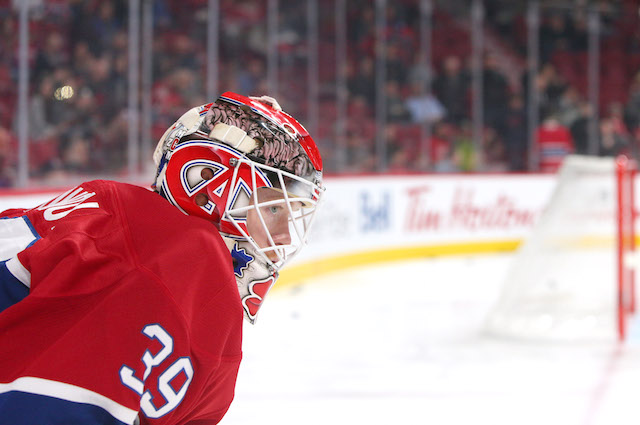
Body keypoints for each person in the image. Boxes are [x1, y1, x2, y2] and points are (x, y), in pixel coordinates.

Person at [0, 92, 325, 424]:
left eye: (292, 213)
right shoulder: (162, 265)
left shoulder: (112, 210)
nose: (284, 235)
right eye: (272, 208)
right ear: (205, 187)